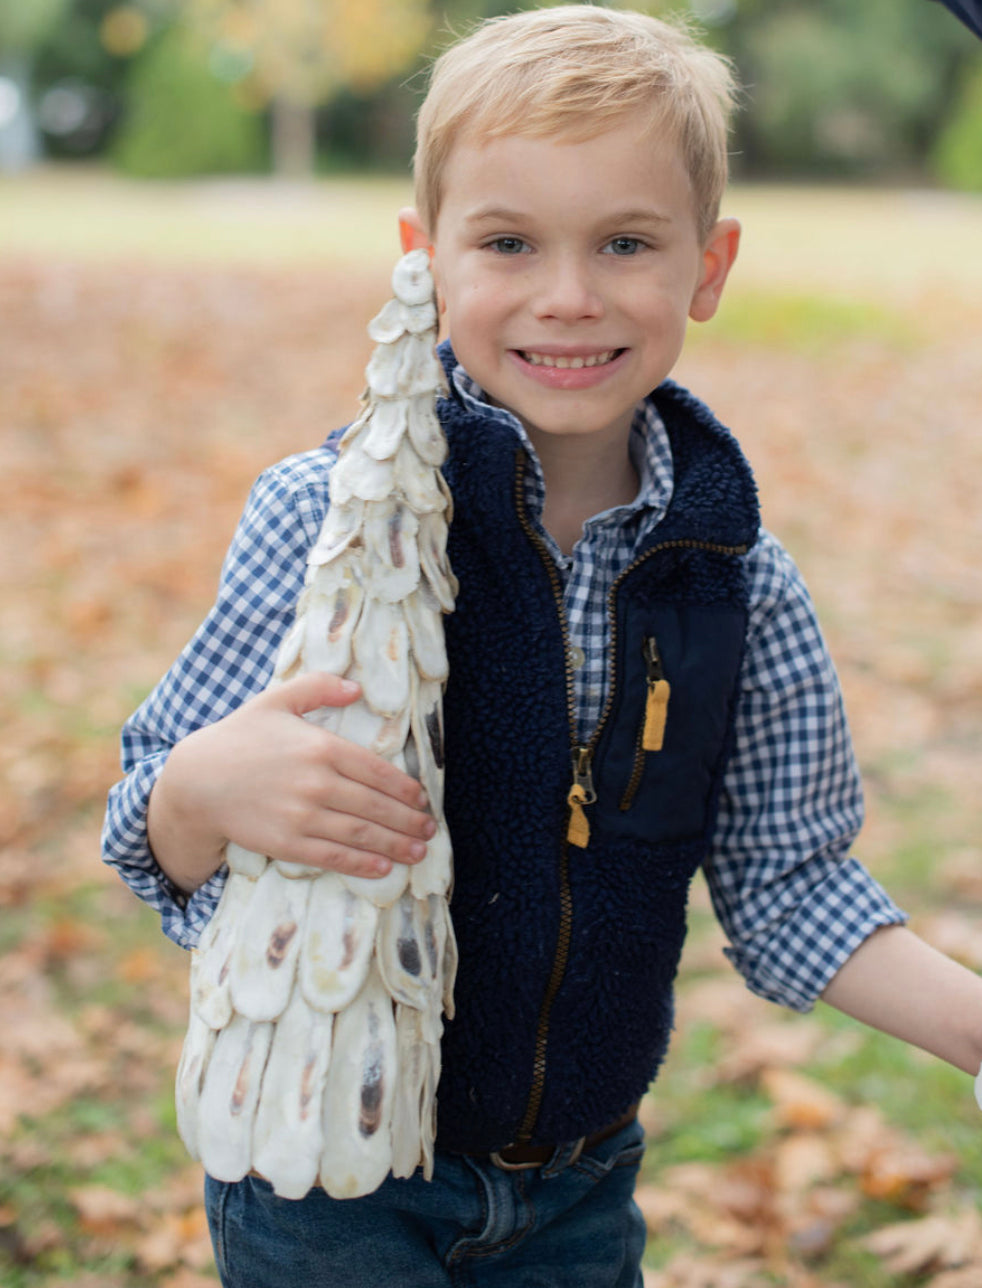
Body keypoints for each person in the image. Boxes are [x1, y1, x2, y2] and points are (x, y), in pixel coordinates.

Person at [101, 7, 982, 1286]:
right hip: (322, 1180)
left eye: (626, 242)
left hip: (576, 1182)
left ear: (708, 265)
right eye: (508, 242)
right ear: (424, 257)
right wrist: (200, 791)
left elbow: (791, 887)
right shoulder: (326, 517)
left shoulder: (737, 584)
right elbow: (147, 821)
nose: (568, 296)